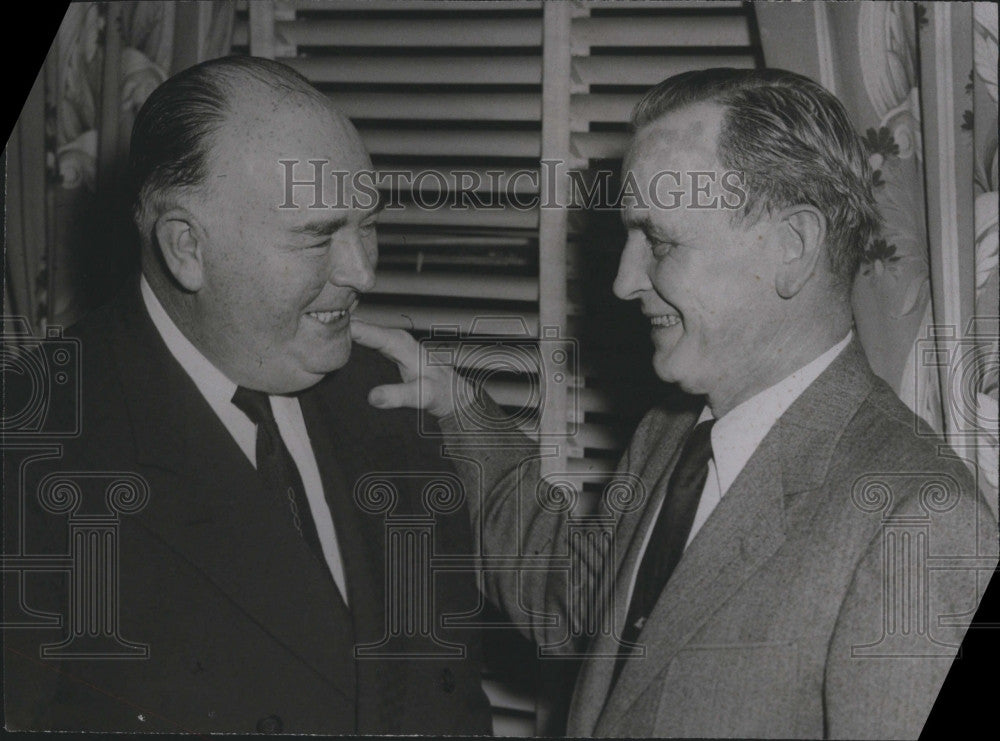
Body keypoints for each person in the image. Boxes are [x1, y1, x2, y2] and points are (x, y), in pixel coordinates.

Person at [351, 67, 999, 738]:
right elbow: (572, 605)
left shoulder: (919, 526)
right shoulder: (673, 432)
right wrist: (456, 406)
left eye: (659, 241)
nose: (624, 281)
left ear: (791, 248)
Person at [4, 56, 492, 735]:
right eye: (319, 235)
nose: (363, 270)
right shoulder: (29, 449)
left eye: (367, 224)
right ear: (186, 248)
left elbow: (454, 703)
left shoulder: (391, 401)